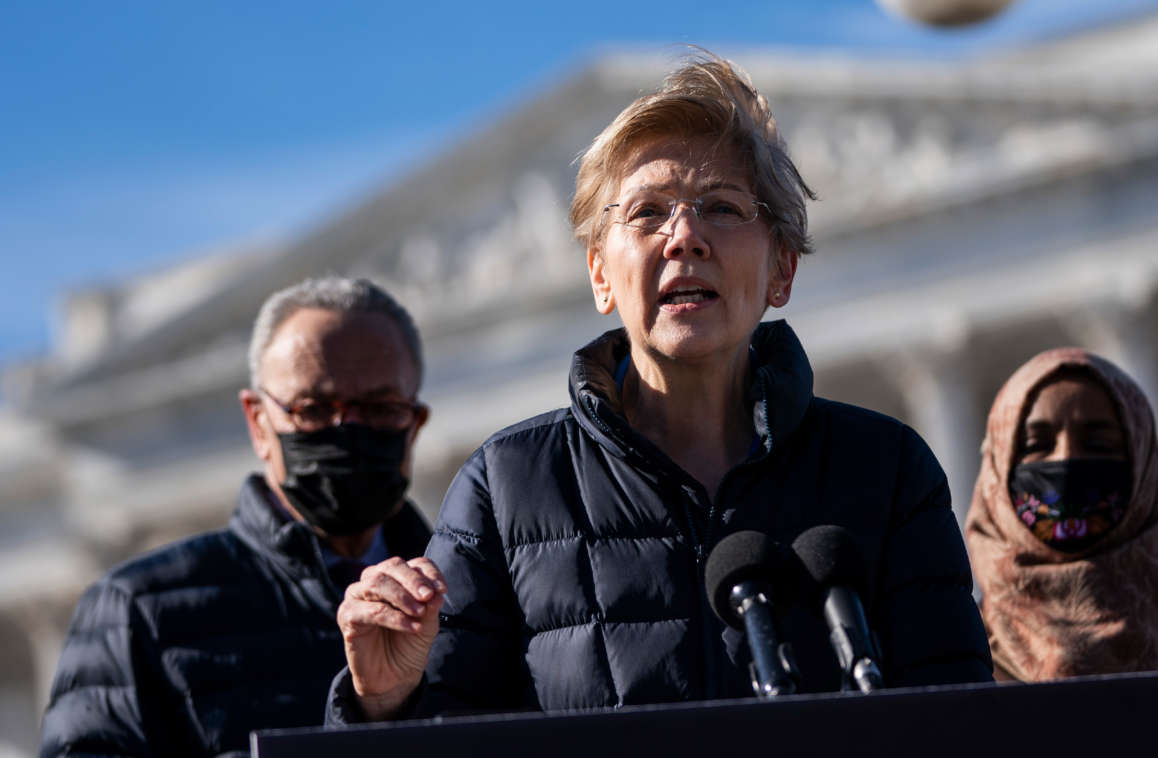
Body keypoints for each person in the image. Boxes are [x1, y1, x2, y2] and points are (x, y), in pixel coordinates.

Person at [328, 53, 992, 724]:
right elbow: (443, 734)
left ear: (781, 271)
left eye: (723, 207)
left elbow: (966, 726)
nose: (685, 237)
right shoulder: (505, 489)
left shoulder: (887, 471)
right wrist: (381, 703)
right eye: (647, 213)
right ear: (600, 276)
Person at [40, 277, 433, 757]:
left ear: (414, 424)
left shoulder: (474, 595)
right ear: (258, 422)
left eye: (379, 408)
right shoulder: (137, 610)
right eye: (312, 409)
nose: (346, 430)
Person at [965, 347, 1158, 681]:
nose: (1068, 458)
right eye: (1037, 444)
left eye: (1099, 443)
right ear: (997, 470)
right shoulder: (952, 658)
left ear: (1143, 465)